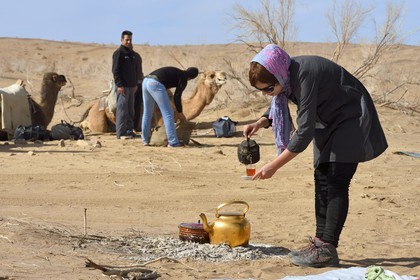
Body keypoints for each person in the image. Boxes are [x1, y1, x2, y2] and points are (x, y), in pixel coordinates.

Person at [243, 44, 388, 268]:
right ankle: (319, 244)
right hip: (329, 121)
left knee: (336, 181)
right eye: (262, 90)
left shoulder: (305, 74)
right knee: (321, 177)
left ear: (280, 75)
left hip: (351, 118)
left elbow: (304, 133)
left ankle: (328, 247)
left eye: (269, 88)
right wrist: (262, 120)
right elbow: (280, 99)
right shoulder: (287, 76)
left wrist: (274, 166)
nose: (266, 94)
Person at [141, 66, 199, 147]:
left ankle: (145, 140)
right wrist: (180, 112)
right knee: (168, 113)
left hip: (146, 81)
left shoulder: (177, 72)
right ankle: (173, 142)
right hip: (155, 83)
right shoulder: (183, 78)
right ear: (191, 78)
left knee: (147, 112)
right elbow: (177, 96)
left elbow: (165, 81)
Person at [112, 30, 139, 139]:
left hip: (132, 87)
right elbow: (115, 70)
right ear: (122, 40)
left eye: (130, 40)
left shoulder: (132, 54)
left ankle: (129, 131)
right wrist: (119, 85)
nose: (128, 42)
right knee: (122, 111)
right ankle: (120, 133)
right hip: (122, 87)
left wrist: (135, 84)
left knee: (130, 110)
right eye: (126, 39)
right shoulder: (119, 53)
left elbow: (135, 70)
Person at [133, 50, 144, 132]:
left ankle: (134, 126)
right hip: (134, 84)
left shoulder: (135, 56)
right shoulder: (136, 56)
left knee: (136, 107)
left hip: (137, 84)